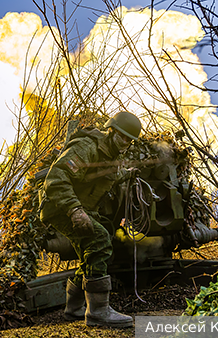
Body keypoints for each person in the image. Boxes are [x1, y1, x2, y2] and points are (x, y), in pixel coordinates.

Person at [40, 111, 142, 328]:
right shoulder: (87, 148)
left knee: (94, 250)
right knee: (99, 241)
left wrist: (128, 173)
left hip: (82, 207)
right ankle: (98, 312)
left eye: (129, 140)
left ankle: (74, 308)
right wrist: (75, 211)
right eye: (123, 137)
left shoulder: (110, 153)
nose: (125, 143)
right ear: (112, 131)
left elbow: (106, 177)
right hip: (61, 206)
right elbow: (56, 179)